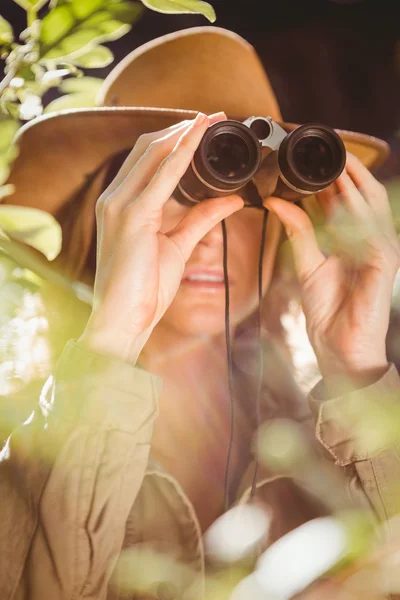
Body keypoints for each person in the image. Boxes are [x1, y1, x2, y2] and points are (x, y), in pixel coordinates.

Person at [1, 27, 400, 600]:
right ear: (108, 216)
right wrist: (114, 335)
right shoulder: (17, 437)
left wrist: (358, 370)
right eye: (173, 188)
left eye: (246, 193)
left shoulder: (327, 440)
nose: (208, 231)